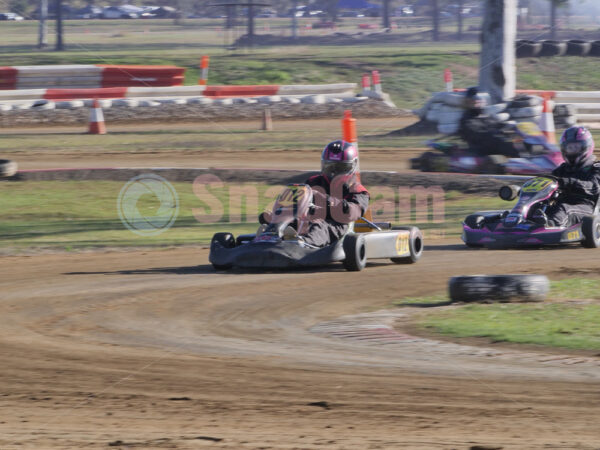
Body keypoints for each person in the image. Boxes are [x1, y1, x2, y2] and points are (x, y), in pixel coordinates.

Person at [299, 140, 370, 247]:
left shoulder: (357, 190)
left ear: (352, 166)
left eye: (340, 168)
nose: (333, 173)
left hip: (337, 226)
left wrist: (327, 201)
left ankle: (303, 244)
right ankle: (270, 237)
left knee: (319, 225)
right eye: (329, 167)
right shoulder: (313, 182)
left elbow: (352, 213)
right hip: (308, 219)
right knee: (288, 221)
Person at [541, 126, 600, 227]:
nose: (573, 151)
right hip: (561, 205)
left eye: (576, 147)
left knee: (565, 209)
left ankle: (550, 226)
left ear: (586, 147)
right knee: (539, 207)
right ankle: (520, 222)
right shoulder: (562, 170)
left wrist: (569, 182)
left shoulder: (595, 168)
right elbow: (548, 181)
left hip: (587, 207)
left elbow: (594, 187)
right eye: (570, 148)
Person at [457, 87, 521, 158]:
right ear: (469, 101)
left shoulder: (485, 116)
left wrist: (511, 126)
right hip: (481, 150)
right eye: (477, 100)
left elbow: (497, 125)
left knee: (519, 142)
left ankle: (529, 159)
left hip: (494, 144)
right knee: (505, 144)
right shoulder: (467, 120)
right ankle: (520, 163)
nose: (480, 102)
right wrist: (495, 133)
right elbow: (477, 134)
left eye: (481, 100)